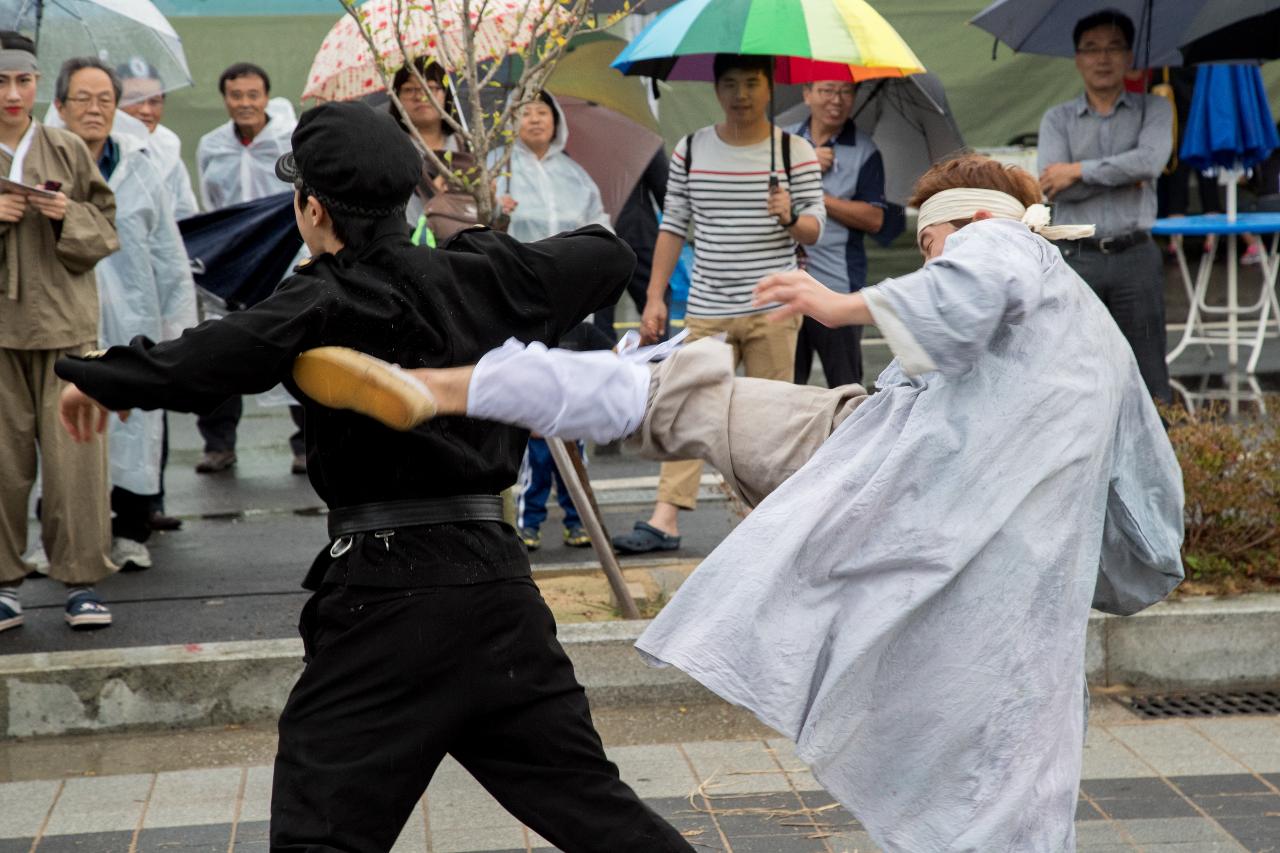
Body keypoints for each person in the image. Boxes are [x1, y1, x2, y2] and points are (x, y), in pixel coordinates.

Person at [306, 152, 1185, 853]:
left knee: (680, 396)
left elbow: (976, 281)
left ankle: (454, 384)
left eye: (928, 244)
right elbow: (1147, 518)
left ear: (967, 224)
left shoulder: (1006, 245)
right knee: (1009, 773)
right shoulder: (1082, 334)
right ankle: (452, 386)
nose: (929, 258)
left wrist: (843, 302)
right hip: (892, 452)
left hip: (911, 475)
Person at [55, 99, 694, 853]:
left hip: (386, 601)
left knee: (319, 832)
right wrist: (479, 249)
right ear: (407, 197)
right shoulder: (483, 274)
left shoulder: (320, 297)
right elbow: (606, 254)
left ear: (311, 208)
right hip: (497, 591)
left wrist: (98, 376)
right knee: (598, 813)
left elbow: (209, 356)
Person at [615, 53, 825, 555]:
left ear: (770, 88)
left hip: (774, 307)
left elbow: (814, 229)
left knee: (771, 418)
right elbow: (672, 226)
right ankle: (666, 518)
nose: (741, 94)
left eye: (751, 84)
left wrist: (790, 215)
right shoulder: (691, 149)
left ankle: (762, 517)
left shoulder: (793, 151)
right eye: (730, 84)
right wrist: (654, 297)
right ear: (716, 90)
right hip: (707, 304)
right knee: (684, 405)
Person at [54, 58, 196, 572]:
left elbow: (168, 253)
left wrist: (176, 332)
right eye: (83, 99)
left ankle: (132, 530)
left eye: (105, 100)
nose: (95, 110)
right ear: (60, 106)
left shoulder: (142, 160)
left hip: (134, 312)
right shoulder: (40, 166)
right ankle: (72, 537)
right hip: (65, 313)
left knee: (136, 425)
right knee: (67, 428)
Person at [0, 33, 120, 633]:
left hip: (69, 328)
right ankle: (4, 582)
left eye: (22, 81)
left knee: (78, 460)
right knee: (2, 463)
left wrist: (66, 213)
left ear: (37, 85)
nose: (12, 94)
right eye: (0, 82)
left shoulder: (68, 147)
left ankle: (82, 581)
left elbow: (106, 228)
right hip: (1, 335)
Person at [1038, 10, 1174, 403]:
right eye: (1092, 49)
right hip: (1077, 258)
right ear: (1077, 58)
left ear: (1130, 56)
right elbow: (1053, 188)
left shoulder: (1155, 109)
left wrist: (1077, 171)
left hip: (1136, 257)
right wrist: (1122, 174)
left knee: (1149, 377)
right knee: (1076, 372)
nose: (1103, 58)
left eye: (1114, 47)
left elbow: (1149, 163)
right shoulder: (1057, 120)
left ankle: (1159, 463)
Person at [495, 90, 611, 550]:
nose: (535, 118)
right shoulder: (497, 168)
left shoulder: (574, 174)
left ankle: (578, 515)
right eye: (524, 111)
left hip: (570, 307)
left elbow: (598, 230)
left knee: (571, 410)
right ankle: (527, 516)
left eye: (543, 111)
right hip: (518, 306)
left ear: (556, 120)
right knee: (532, 415)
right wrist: (494, 213)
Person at [195, 62, 305, 475]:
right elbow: (210, 202)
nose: (245, 103)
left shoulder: (289, 141)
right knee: (220, 351)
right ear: (225, 98)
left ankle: (305, 447)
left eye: (252, 95)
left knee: (298, 350)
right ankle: (218, 445)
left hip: (284, 263)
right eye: (236, 95)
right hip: (232, 265)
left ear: (266, 96)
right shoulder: (211, 145)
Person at [790, 80, 886, 386]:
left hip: (838, 286)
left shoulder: (865, 150)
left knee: (846, 388)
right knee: (783, 388)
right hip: (785, 285)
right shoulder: (782, 141)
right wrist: (802, 164)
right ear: (807, 94)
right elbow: (757, 198)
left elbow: (874, 219)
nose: (837, 100)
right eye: (827, 91)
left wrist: (817, 193)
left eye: (846, 92)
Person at [593, 146, 669, 342]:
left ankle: (655, 360)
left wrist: (673, 233)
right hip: (597, 240)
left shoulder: (637, 136)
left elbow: (665, 190)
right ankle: (606, 363)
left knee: (653, 308)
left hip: (636, 235)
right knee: (597, 314)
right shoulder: (575, 135)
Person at [117, 57, 199, 221]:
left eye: (154, 101)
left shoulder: (168, 147)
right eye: (135, 100)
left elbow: (186, 212)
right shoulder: (98, 146)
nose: (146, 110)